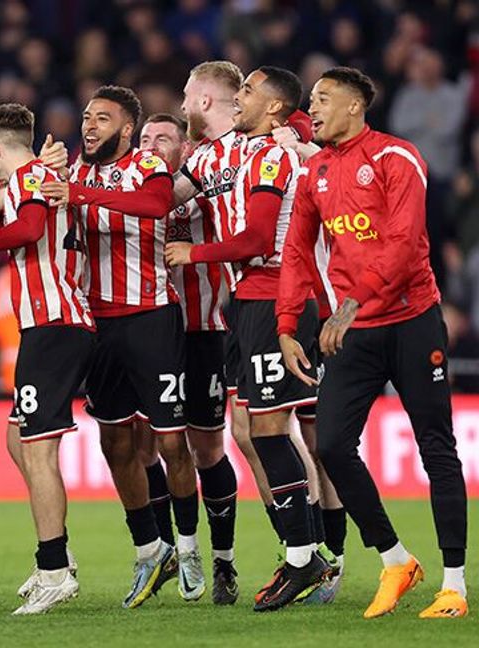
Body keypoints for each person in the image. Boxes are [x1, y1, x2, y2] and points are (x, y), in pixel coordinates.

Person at [277, 66, 469, 619]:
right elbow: (295, 252)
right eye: (311, 100)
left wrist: (353, 301)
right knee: (333, 446)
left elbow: (407, 242)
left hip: (410, 320)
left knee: (436, 447)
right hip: (353, 329)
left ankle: (454, 582)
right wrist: (288, 324)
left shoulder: (395, 158)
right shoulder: (313, 172)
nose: (312, 109)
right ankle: (396, 559)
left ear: (356, 106)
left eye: (323, 99)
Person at [169, 65, 330, 611]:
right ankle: (307, 555)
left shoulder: (274, 154)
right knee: (251, 428)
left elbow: (260, 235)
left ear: (275, 109)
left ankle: (308, 558)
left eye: (248, 91)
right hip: (250, 301)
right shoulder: (247, 149)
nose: (238, 98)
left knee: (271, 431)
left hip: (274, 296)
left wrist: (196, 253)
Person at [41, 85, 192, 609]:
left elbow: (154, 205)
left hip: (151, 315)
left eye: (102, 119)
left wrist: (78, 195)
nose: (89, 125)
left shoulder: (147, 165)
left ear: (127, 129)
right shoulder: (72, 171)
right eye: (86, 116)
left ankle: (191, 547)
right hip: (96, 322)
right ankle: (151, 548)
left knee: (172, 443)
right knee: (115, 444)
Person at [0, 103, 95, 615]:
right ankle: (55, 555)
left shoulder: (29, 178)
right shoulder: (43, 174)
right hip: (48, 324)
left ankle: (54, 570)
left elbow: (25, 230)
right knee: (17, 439)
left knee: (39, 449)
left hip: (54, 324)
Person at [136, 112, 239, 605]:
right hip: (147, 330)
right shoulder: (130, 186)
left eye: (163, 138)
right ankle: (168, 551)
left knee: (206, 449)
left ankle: (222, 560)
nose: (151, 145)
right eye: (144, 138)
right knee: (144, 444)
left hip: (201, 331)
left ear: (185, 147)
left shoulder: (202, 183)